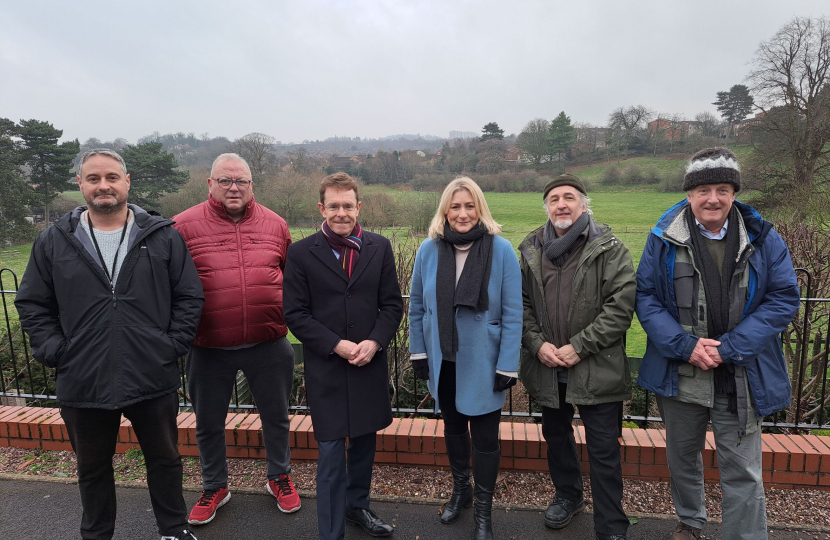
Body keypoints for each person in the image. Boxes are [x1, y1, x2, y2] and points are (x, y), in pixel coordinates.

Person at [15, 149, 204, 540]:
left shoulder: (162, 236)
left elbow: (189, 296)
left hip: (151, 373)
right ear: (80, 184)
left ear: (127, 181)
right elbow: (32, 303)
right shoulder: (53, 241)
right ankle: (97, 534)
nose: (104, 185)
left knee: (165, 459)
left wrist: (171, 345)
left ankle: (173, 529)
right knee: (92, 467)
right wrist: (57, 351)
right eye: (94, 178)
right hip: (83, 378)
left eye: (112, 177)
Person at [636, 148, 800, 540]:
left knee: (742, 468)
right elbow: (646, 296)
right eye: (704, 189)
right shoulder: (662, 238)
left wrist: (729, 348)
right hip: (681, 372)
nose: (713, 198)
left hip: (741, 374)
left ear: (734, 193)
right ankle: (690, 524)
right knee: (682, 459)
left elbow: (783, 298)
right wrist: (685, 346)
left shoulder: (764, 237)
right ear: (689, 195)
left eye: (723, 189)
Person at [172, 153, 300, 525]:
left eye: (240, 181)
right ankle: (215, 485)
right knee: (208, 421)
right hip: (208, 345)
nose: (233, 187)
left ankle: (279, 476)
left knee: (276, 417)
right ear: (209, 183)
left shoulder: (276, 225)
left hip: (268, 341)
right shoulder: (182, 226)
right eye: (225, 180)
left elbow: (292, 280)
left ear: (251, 186)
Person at [283, 172, 403, 540]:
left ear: (358, 207)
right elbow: (295, 313)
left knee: (365, 445)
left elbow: (392, 305)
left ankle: (357, 508)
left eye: (347, 205)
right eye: (333, 206)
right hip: (328, 369)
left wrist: (375, 342)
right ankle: (331, 532)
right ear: (321, 208)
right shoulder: (301, 253)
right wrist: (337, 345)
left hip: (368, 364)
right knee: (332, 455)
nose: (341, 212)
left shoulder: (379, 247)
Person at [518, 174, 635, 540]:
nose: (561, 204)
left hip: (596, 367)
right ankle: (568, 496)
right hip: (548, 367)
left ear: (584, 204)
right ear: (547, 208)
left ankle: (611, 525)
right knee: (557, 438)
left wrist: (579, 346)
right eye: (553, 199)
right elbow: (519, 305)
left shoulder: (609, 247)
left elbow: (620, 308)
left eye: (569, 197)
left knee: (603, 450)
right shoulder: (531, 247)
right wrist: (537, 344)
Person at [408, 177, 521, 540]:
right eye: (455, 206)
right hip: (444, 359)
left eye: (469, 206)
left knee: (486, 439)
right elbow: (417, 307)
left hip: (484, 361)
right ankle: (462, 491)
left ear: (480, 209)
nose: (462, 213)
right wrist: (419, 353)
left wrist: (507, 363)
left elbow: (514, 312)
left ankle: (484, 513)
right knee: (454, 429)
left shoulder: (500, 250)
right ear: (445, 210)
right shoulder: (428, 249)